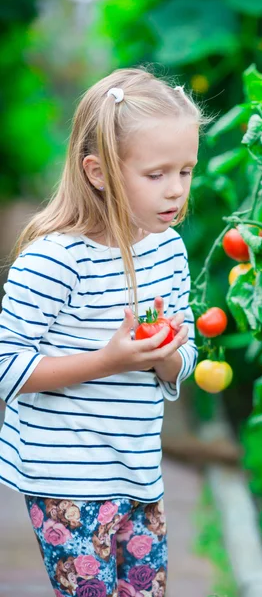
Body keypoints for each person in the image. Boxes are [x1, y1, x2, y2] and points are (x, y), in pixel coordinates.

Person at [0, 67, 210, 597]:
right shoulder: (55, 259)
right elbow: (7, 368)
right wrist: (108, 360)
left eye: (186, 171)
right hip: (65, 482)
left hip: (139, 474)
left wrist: (165, 355)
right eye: (157, 174)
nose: (176, 190)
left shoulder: (168, 250)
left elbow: (183, 359)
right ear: (98, 171)